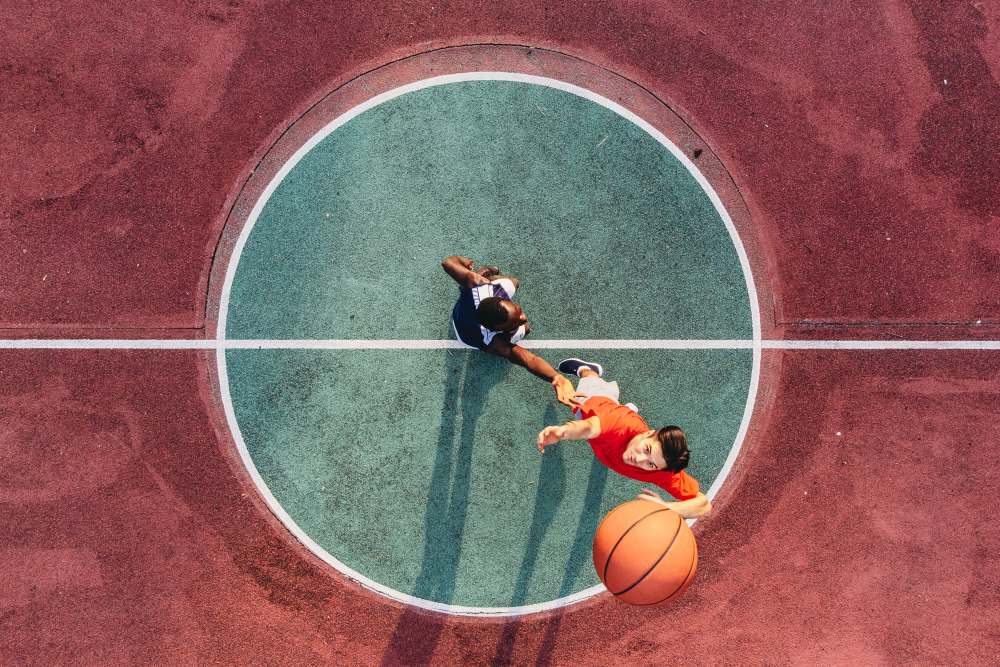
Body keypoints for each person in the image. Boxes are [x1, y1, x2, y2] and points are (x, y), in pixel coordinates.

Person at [536, 358, 712, 519]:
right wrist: (562, 432)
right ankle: (587, 369)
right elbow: (589, 428)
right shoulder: (621, 425)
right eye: (647, 449)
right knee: (579, 403)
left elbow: (704, 506)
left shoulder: (661, 470)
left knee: (608, 430)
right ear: (648, 433)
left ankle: (626, 408)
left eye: (650, 464)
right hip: (600, 405)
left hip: (612, 441)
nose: (640, 459)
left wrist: (667, 508)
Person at [442, 255, 581, 408]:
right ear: (495, 329)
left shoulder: (479, 284)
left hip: (478, 291)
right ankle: (470, 287)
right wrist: (556, 377)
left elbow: (447, 262)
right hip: (464, 330)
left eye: (518, 311)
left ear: (501, 299)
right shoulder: (488, 339)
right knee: (524, 330)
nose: (524, 317)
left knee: (514, 282)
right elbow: (528, 359)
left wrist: (463, 261)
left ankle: (484, 274)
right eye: (515, 321)